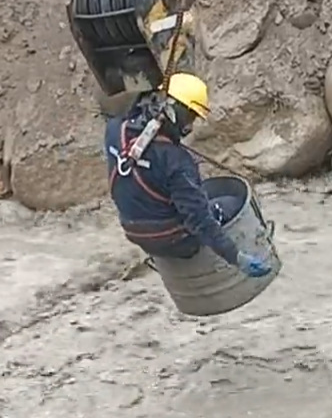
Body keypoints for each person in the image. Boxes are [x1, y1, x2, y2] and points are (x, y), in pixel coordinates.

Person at [105, 72, 272, 278]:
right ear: (175, 110)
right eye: (191, 116)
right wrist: (237, 257)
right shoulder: (176, 162)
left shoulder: (114, 131)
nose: (190, 126)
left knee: (193, 194)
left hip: (134, 232)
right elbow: (200, 222)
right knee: (229, 202)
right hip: (173, 241)